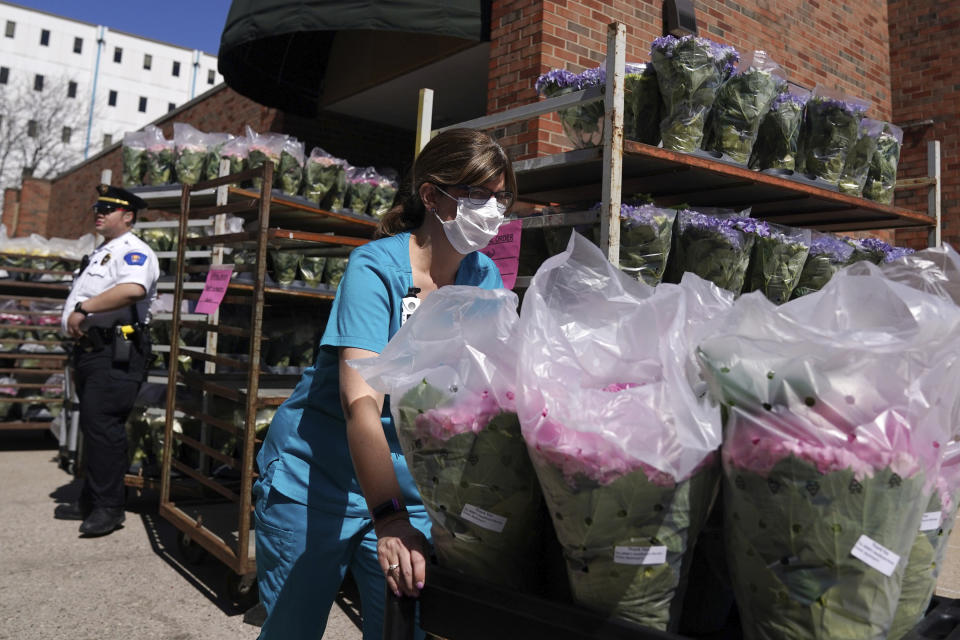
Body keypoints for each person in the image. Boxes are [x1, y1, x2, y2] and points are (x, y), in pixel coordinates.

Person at [254, 128, 517, 639]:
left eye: (501, 196)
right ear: (431, 195)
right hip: (316, 480)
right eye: (476, 195)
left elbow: (484, 393)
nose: (492, 210)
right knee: (293, 628)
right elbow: (361, 405)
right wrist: (389, 519)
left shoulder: (486, 279)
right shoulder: (375, 268)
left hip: (408, 487)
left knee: (402, 630)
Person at [54, 184, 160, 537]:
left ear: (128, 216)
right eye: (98, 207)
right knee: (93, 427)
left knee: (104, 427)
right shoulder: (104, 252)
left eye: (108, 209)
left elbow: (133, 289)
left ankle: (109, 508)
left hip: (116, 351)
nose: (99, 212)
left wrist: (84, 309)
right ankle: (92, 499)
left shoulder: (134, 251)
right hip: (93, 351)